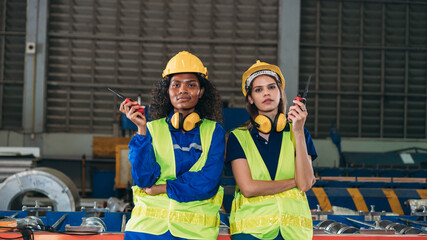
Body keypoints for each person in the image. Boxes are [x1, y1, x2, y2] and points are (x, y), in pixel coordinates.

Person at [120, 51, 225, 240]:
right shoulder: (150, 129)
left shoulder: (214, 132)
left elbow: (208, 182)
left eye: (191, 85)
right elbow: (144, 180)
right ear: (167, 92)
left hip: (194, 233)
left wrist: (162, 188)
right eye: (176, 85)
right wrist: (142, 130)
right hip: (147, 232)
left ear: (201, 92)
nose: (182, 90)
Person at [226, 60, 317, 240]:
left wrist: (297, 131)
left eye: (271, 87)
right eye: (258, 90)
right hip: (251, 232)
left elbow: (305, 184)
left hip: (293, 232)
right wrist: (294, 181)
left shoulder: (299, 133)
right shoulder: (238, 137)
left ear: (280, 92)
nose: (266, 93)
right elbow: (248, 188)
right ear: (250, 98)